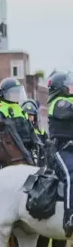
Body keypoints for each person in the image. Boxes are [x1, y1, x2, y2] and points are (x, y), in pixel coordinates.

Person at [46, 71, 73, 234]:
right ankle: (70, 216)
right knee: (71, 176)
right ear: (60, 89)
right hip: (60, 150)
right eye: (69, 86)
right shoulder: (58, 103)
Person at [0, 77, 39, 155]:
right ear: (4, 94)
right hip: (9, 153)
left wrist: (38, 144)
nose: (16, 95)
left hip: (27, 150)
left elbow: (31, 130)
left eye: (18, 92)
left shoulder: (20, 110)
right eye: (13, 92)